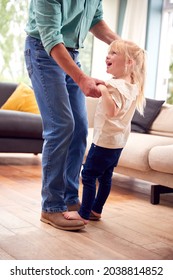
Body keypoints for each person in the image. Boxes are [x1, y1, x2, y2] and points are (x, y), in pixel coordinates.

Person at [24, 0, 120, 231]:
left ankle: (68, 198)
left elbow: (96, 21)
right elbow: (50, 38)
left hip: (71, 53)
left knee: (79, 128)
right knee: (61, 126)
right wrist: (81, 78)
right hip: (44, 51)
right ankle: (51, 206)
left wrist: (121, 44)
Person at [64, 39, 146, 225]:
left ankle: (84, 213)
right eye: (108, 53)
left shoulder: (114, 86)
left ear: (129, 63)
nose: (107, 56)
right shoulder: (132, 86)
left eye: (114, 53)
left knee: (88, 175)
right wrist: (106, 87)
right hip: (118, 142)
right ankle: (96, 209)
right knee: (106, 176)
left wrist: (103, 89)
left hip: (104, 141)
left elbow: (112, 111)